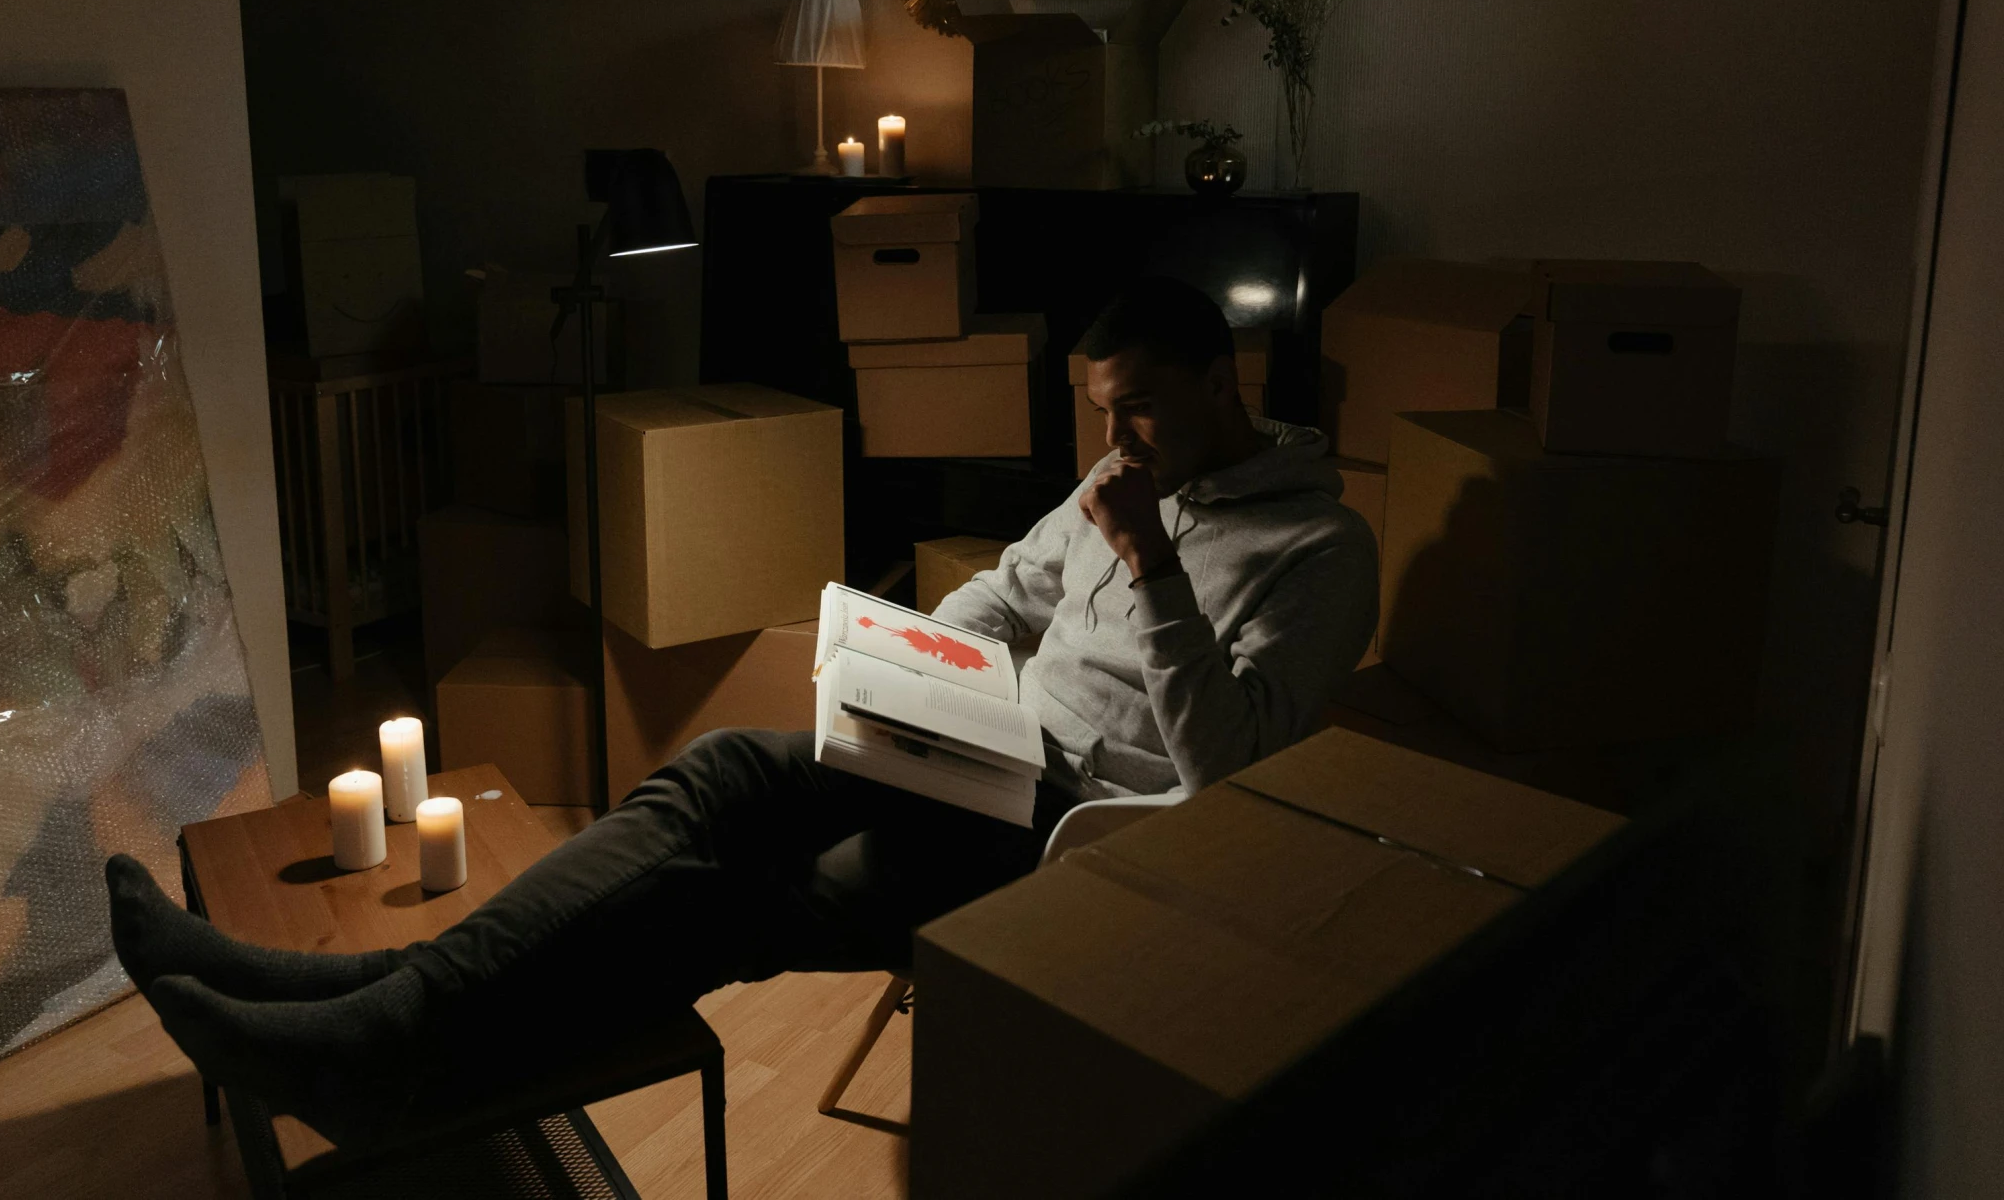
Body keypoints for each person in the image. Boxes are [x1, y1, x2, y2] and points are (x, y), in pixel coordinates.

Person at [107, 276, 1377, 1146]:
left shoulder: (1318, 547)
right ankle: (369, 1008)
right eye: (1102, 413)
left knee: (714, 899)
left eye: (1140, 406)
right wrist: (924, 666)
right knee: (717, 773)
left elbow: (1231, 767)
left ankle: (374, 1043)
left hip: (1080, 830)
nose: (1117, 442)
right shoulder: (1120, 471)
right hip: (987, 746)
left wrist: (1153, 565)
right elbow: (1004, 586)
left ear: (1227, 380)